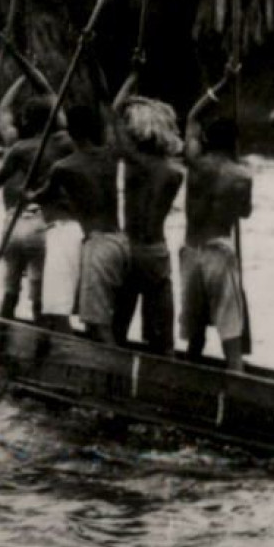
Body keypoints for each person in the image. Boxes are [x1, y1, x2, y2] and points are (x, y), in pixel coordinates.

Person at [0, 96, 74, 322]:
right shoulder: (64, 144)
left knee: (10, 287)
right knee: (39, 294)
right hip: (40, 224)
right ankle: (39, 341)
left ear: (27, 121)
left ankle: (3, 331)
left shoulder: (18, 148)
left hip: (13, 224)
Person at [26, 103, 127, 344]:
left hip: (98, 246)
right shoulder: (111, 155)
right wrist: (132, 76)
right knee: (104, 320)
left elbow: (42, 195)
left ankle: (107, 373)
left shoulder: (64, 167)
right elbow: (114, 112)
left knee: (95, 323)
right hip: (122, 243)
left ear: (71, 133)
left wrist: (26, 195)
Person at [107, 58, 186, 353]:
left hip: (128, 248)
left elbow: (114, 113)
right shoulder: (173, 172)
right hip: (154, 250)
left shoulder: (133, 164)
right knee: (161, 333)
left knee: (119, 321)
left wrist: (132, 78)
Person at [180, 67, 253, 371]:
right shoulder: (242, 176)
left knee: (194, 334)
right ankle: (236, 378)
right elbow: (244, 212)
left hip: (190, 253)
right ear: (234, 144)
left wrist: (222, 84)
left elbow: (192, 118)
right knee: (230, 334)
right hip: (219, 254)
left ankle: (190, 376)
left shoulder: (195, 163)